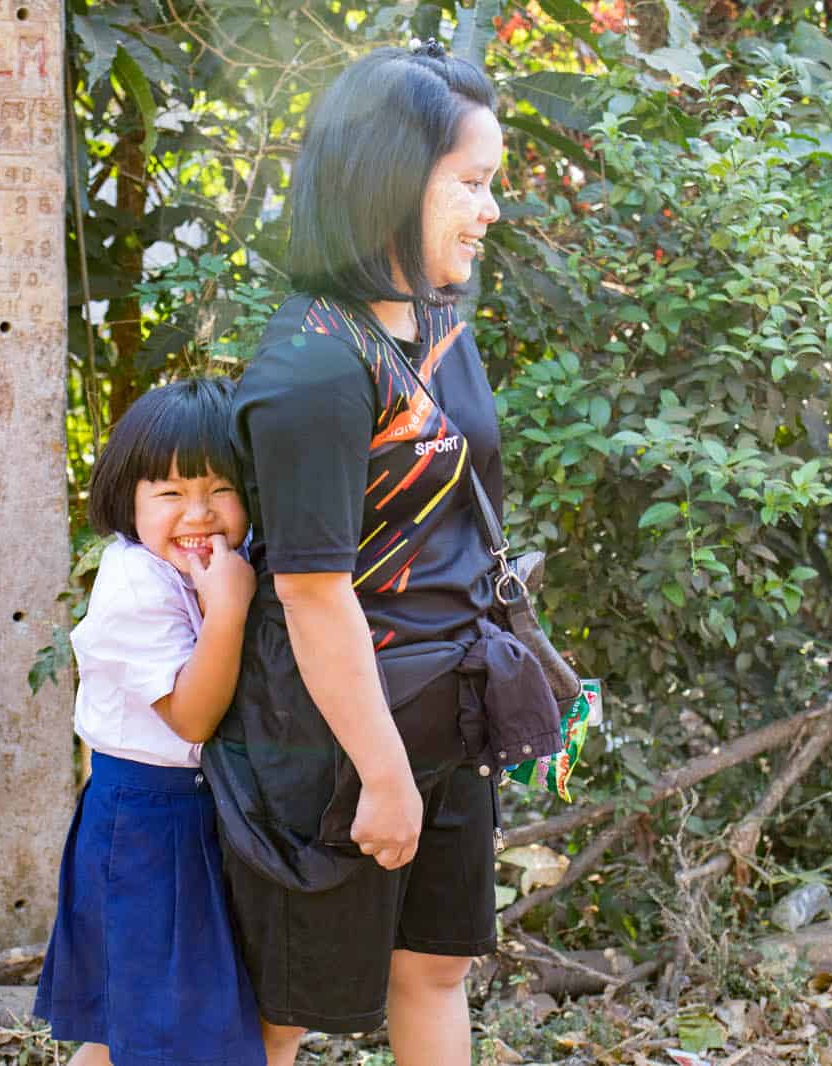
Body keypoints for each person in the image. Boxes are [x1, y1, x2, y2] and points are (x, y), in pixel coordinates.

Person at [204, 39, 552, 1066]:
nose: (490, 210)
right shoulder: (313, 363)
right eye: (472, 183)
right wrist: (384, 771)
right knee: (284, 1002)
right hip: (334, 738)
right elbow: (312, 593)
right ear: (393, 180)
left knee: (433, 964)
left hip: (447, 701)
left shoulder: (440, 323)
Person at [34, 378, 266, 1066]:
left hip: (195, 814)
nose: (198, 514)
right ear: (127, 499)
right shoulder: (135, 581)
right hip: (146, 822)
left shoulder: (227, 563)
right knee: (159, 1030)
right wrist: (228, 609)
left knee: (136, 1027)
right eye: (169, 494)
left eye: (220, 490)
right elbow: (192, 715)